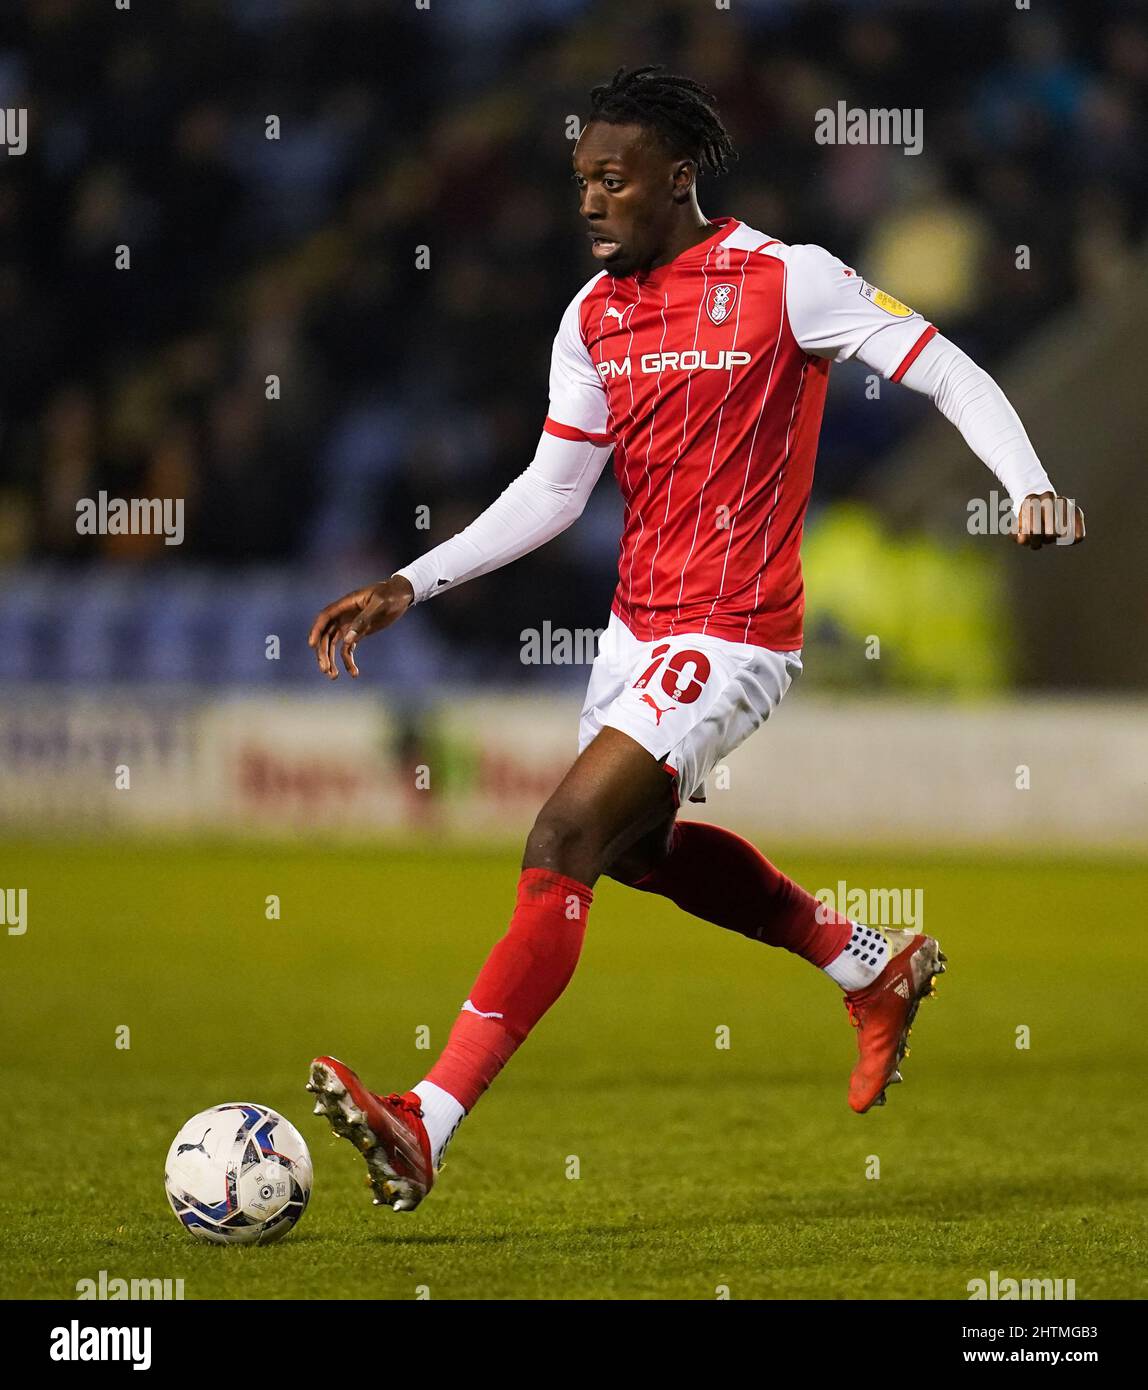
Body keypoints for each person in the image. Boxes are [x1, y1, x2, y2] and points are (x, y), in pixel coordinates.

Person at [305, 66, 1084, 1213]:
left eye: (608, 180)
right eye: (578, 180)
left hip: (735, 631)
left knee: (562, 834)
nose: (586, 201)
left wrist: (1028, 486)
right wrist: (411, 584)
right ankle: (869, 965)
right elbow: (554, 490)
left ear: (676, 179)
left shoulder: (787, 281)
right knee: (636, 853)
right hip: (635, 631)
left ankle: (425, 1118)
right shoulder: (591, 316)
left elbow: (946, 368)